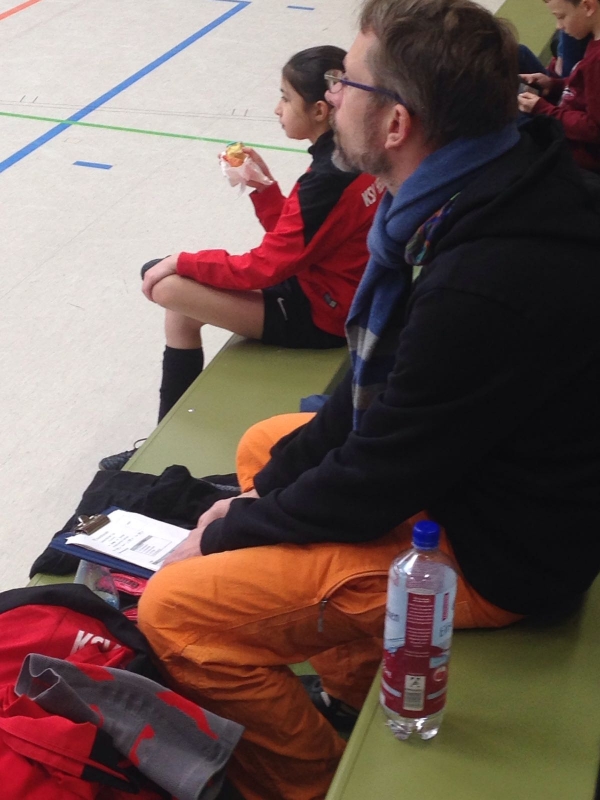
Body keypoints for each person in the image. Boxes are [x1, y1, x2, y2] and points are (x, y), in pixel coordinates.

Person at [138, 1, 600, 798]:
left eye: (346, 82)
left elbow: (381, 473)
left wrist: (230, 530)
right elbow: (371, 400)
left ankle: (311, 780)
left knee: (175, 611)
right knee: (264, 448)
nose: (333, 94)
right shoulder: (485, 186)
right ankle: (354, 690)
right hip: (481, 480)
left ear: (396, 124)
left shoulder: (482, 278)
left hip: (499, 555)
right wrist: (259, 499)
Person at [100, 45, 383, 470]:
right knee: (181, 311)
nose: (277, 109)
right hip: (334, 289)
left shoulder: (326, 180)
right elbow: (301, 244)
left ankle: (157, 455)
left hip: (323, 315)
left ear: (320, 110)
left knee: (166, 286)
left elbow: (266, 265)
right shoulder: (355, 154)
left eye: (285, 98)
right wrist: (263, 188)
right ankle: (160, 445)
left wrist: (180, 260)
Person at [519, 0, 600, 172]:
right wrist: (554, 85)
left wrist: (542, 109)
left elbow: (594, 129)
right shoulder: (594, 43)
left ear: (588, 7)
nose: (558, 26)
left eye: (561, 17)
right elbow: (584, 88)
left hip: (577, 151)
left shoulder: (597, 61)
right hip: (563, 112)